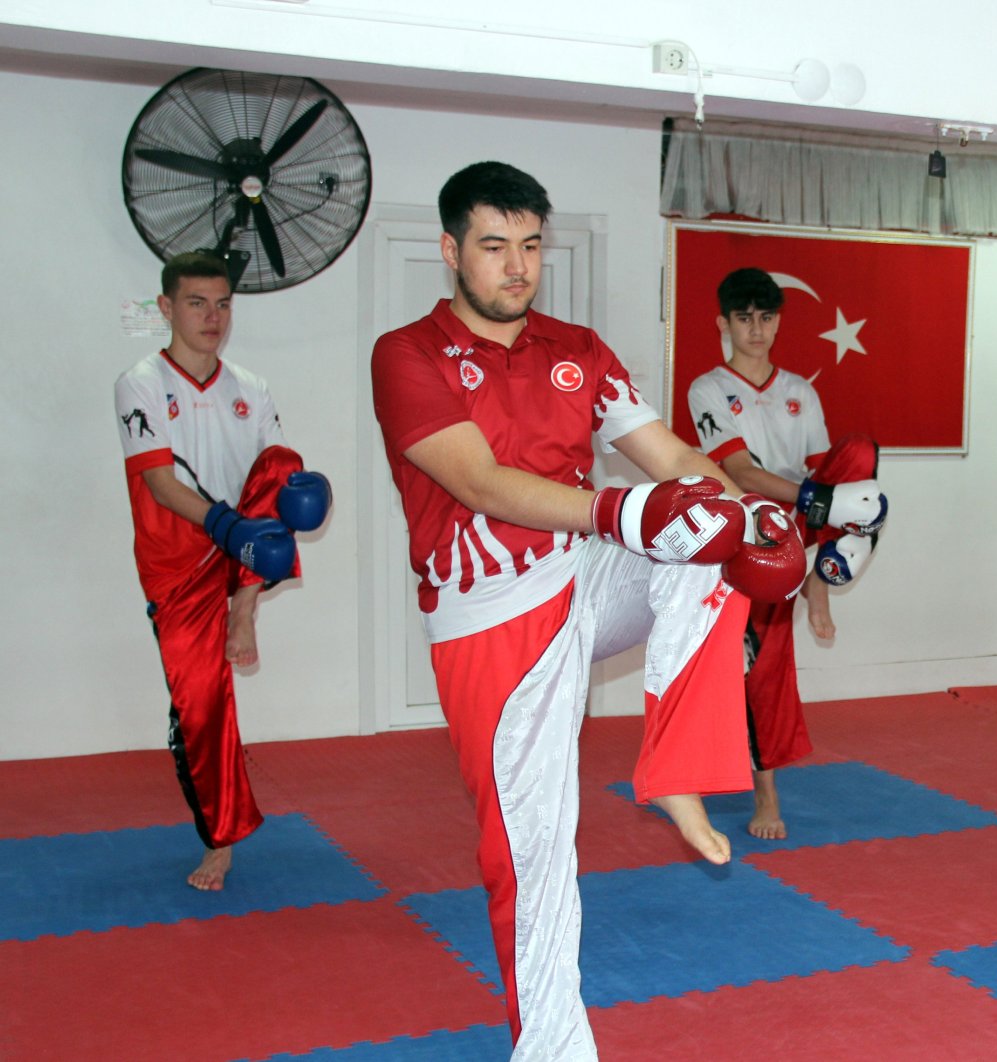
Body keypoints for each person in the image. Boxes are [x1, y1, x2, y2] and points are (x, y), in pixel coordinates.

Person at [369, 162, 803, 1059]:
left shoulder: (578, 348)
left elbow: (669, 452)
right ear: (452, 251)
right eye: (494, 247)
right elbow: (478, 480)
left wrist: (758, 518)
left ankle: (676, 768)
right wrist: (617, 510)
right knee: (533, 862)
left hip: (582, 580)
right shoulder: (407, 354)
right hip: (488, 615)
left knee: (709, 535)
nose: (516, 267)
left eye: (530, 246)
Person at [113, 252, 331, 892]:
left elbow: (275, 481)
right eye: (196, 303)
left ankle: (243, 611)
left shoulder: (250, 386)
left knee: (287, 465)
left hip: (240, 553)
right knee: (200, 709)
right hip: (177, 560)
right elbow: (158, 482)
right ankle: (220, 836)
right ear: (166, 308)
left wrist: (297, 494)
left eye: (223, 303)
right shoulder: (141, 382)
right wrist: (226, 528)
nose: (213, 317)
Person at [686, 268, 888, 839]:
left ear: (778, 321)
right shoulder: (707, 389)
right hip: (745, 536)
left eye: (767, 317)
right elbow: (741, 471)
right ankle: (764, 795)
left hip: (800, 528)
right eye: (745, 318)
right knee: (758, 671)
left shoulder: (800, 390)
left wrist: (819, 594)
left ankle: (838, 559)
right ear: (724, 323)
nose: (757, 329)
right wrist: (815, 496)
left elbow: (824, 488)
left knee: (860, 453)